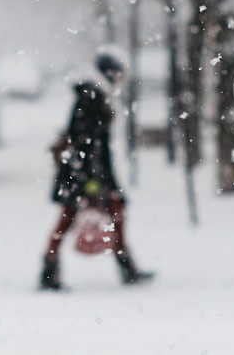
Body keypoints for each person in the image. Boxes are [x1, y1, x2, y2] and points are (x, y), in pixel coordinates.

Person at [39, 50, 154, 290]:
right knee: (74, 217)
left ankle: (52, 269)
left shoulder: (96, 95)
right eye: (118, 73)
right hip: (85, 171)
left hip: (88, 170)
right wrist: (92, 181)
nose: (121, 79)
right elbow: (86, 142)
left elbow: (91, 142)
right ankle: (51, 271)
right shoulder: (91, 97)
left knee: (102, 213)